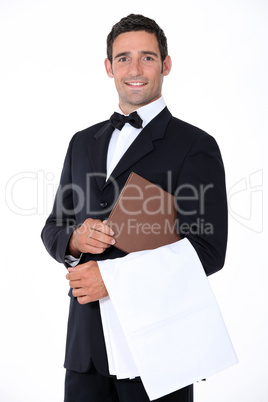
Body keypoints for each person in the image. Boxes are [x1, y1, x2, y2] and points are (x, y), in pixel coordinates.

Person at [41, 13, 228, 402]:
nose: (135, 69)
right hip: (86, 351)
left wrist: (114, 281)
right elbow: (54, 226)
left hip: (157, 352)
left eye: (147, 57)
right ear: (109, 67)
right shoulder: (82, 142)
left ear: (166, 64)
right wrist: (74, 241)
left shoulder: (196, 145)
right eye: (123, 58)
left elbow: (208, 251)